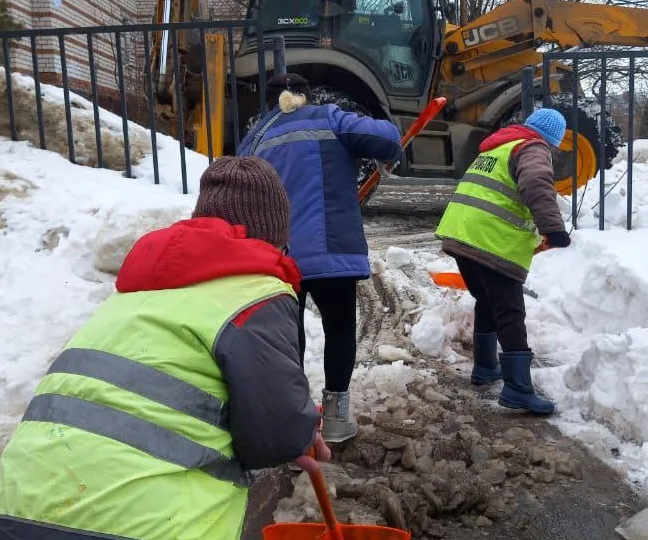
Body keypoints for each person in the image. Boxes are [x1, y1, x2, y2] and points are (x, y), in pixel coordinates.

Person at [0, 156, 330, 540]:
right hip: (135, 520)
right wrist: (300, 428)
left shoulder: (136, 295)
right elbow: (276, 436)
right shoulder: (255, 293)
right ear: (276, 237)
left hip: (20, 503)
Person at [237, 73, 403, 443]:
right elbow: (385, 138)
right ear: (307, 95)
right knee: (340, 327)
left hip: (277, 256)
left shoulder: (254, 139)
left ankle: (293, 422)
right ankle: (336, 419)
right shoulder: (330, 117)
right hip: (330, 248)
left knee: (286, 335)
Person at [434, 108, 571, 415]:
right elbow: (536, 183)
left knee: (487, 299)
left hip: (462, 233)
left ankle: (485, 368)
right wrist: (553, 229)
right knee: (510, 310)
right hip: (489, 239)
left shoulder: (499, 147)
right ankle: (518, 389)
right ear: (552, 140)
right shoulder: (533, 147)